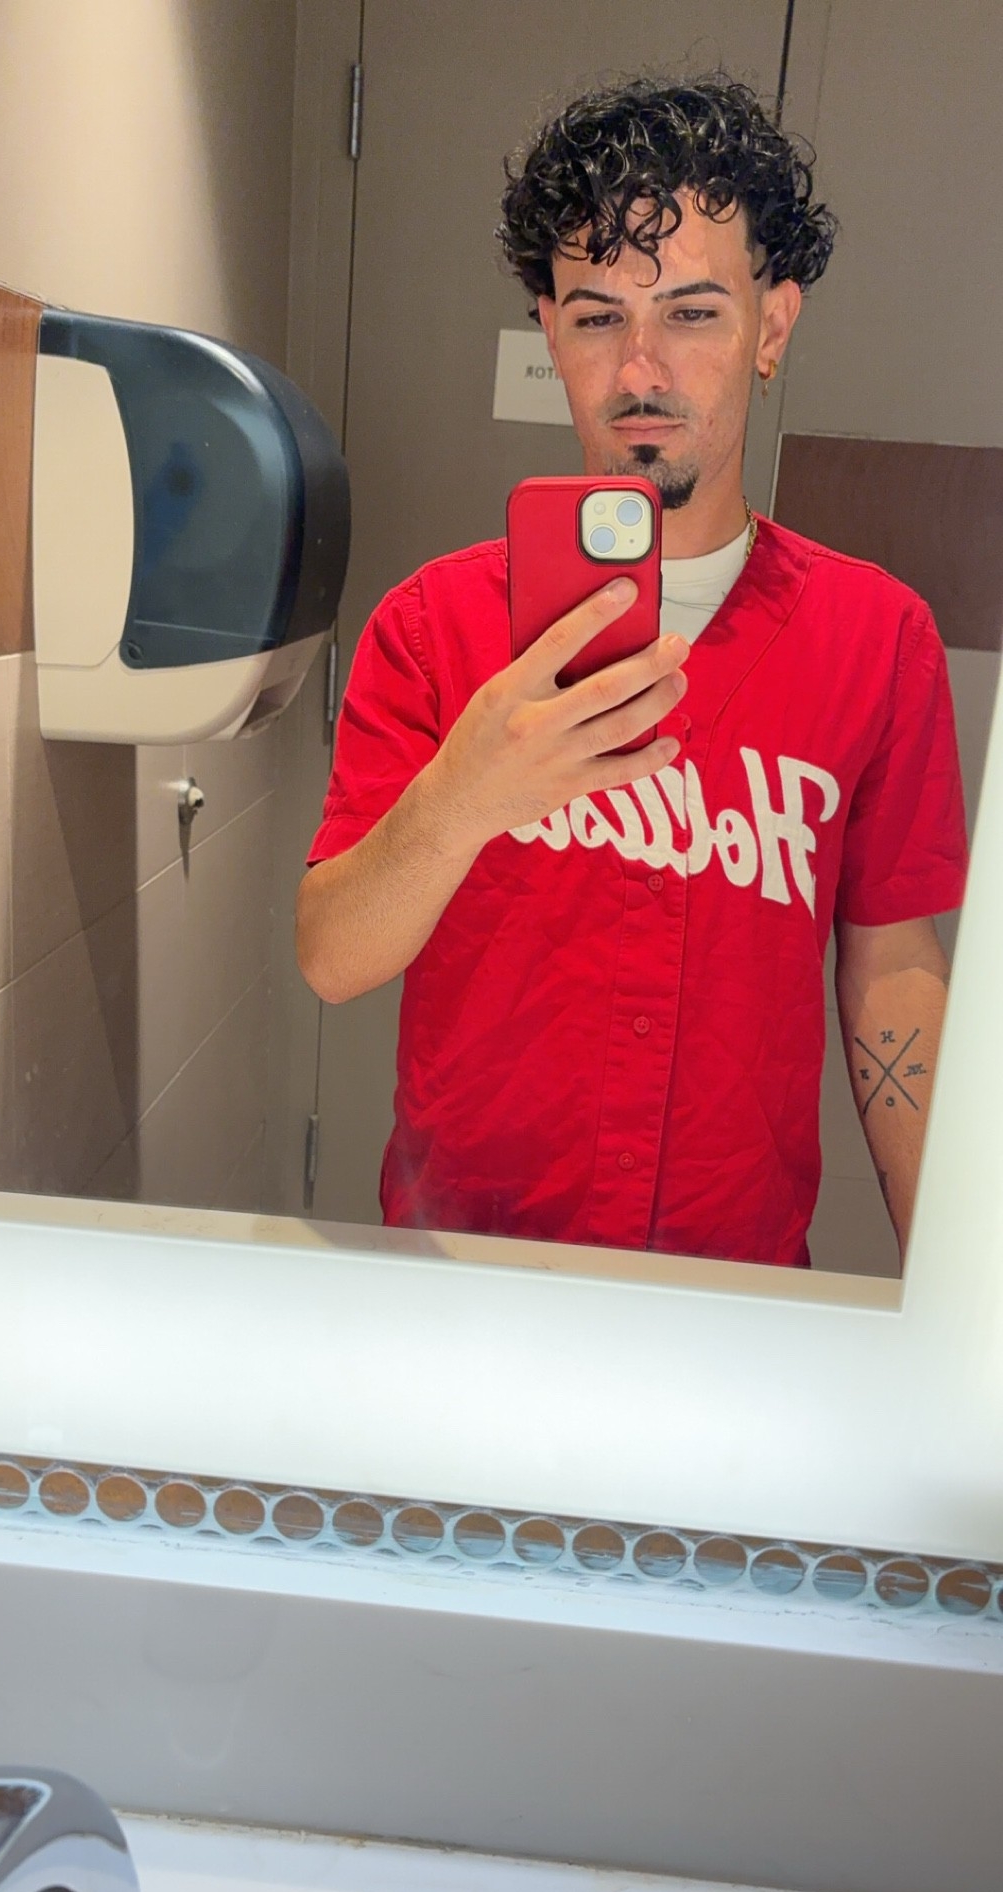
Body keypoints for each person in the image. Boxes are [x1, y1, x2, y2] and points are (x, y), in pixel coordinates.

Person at [296, 76, 967, 1271]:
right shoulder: (433, 627)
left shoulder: (878, 638)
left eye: (694, 313)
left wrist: (960, 1281)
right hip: (466, 1275)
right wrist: (463, 797)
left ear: (772, 328)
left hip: (733, 1283)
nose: (641, 369)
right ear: (551, 333)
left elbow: (893, 968)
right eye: (598, 317)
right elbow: (332, 957)